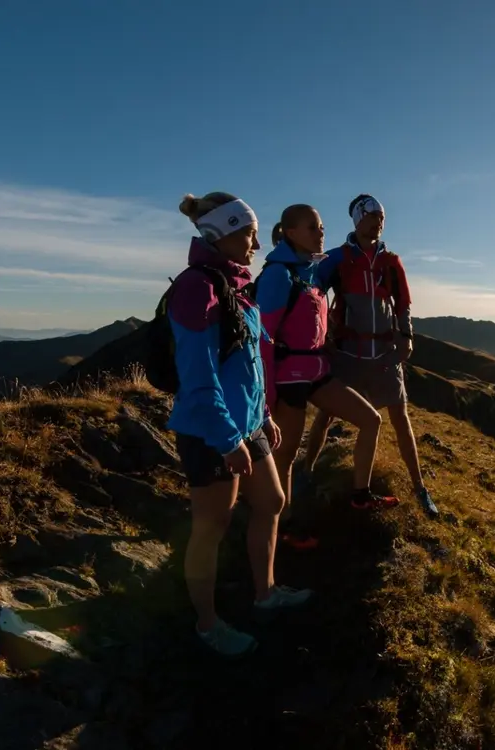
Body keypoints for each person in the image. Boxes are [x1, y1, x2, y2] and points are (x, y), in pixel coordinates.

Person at [167, 192, 311, 658]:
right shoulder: (197, 288)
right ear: (219, 234)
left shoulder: (233, 285)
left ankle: (265, 593)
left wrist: (263, 417)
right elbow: (199, 377)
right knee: (211, 525)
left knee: (271, 500)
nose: (255, 243)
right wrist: (229, 439)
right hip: (210, 431)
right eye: (248, 234)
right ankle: (206, 625)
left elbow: (245, 365)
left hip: (245, 425)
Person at [253, 204, 392, 527]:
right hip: (288, 378)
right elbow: (262, 339)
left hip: (315, 372)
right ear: (290, 233)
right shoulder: (278, 274)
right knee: (285, 456)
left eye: (321, 228)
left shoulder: (314, 269)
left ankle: (360, 495)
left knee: (370, 420)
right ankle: (282, 527)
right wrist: (266, 400)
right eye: (313, 228)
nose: (321, 234)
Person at [303, 194, 438, 517]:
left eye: (382, 217)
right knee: (326, 415)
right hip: (347, 353)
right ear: (357, 220)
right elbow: (314, 298)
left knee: (400, 418)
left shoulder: (391, 262)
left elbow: (403, 303)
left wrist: (406, 336)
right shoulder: (336, 259)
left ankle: (419, 486)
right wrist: (319, 339)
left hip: (384, 353)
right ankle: (304, 472)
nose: (378, 221)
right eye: (372, 216)